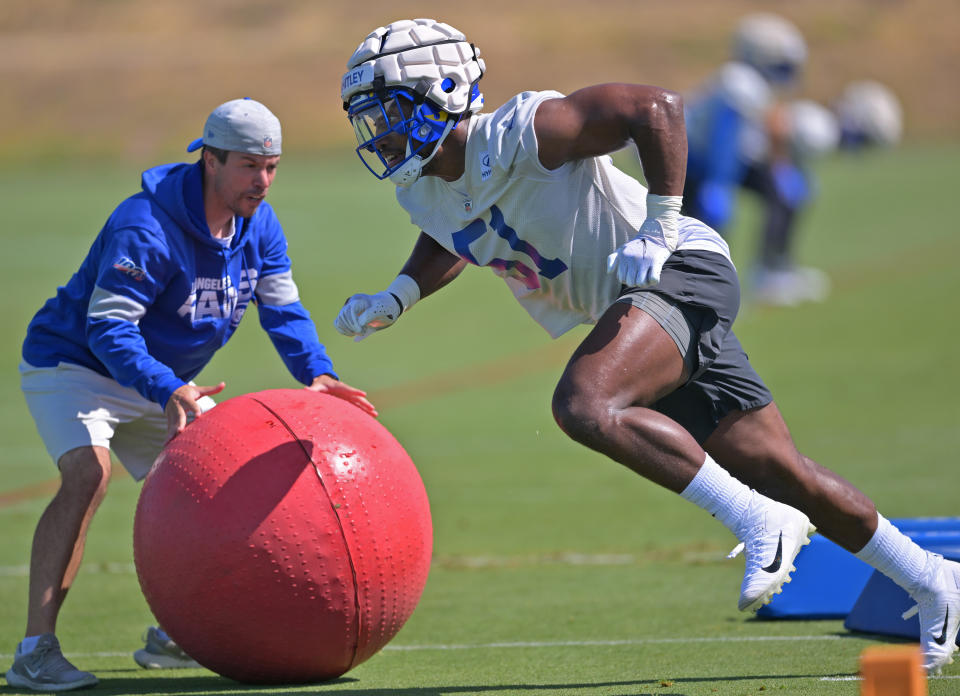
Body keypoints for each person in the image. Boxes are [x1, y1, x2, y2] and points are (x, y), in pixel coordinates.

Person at [332, 18, 959, 674]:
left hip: (679, 273)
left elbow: (654, 107)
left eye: (391, 113)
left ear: (444, 91)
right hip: (638, 313)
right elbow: (454, 231)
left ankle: (760, 520)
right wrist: (398, 294)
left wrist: (660, 226)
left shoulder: (523, 132)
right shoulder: (425, 188)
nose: (381, 133)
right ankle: (934, 578)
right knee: (787, 471)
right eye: (370, 120)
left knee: (584, 402)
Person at [6, 98, 377, 692]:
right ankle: (34, 652)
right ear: (210, 160)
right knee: (87, 474)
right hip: (73, 365)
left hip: (163, 383)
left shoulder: (261, 225)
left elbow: (283, 310)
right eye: (249, 166)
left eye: (273, 166)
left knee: (212, 486)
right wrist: (169, 387)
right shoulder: (144, 226)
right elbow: (106, 328)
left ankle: (174, 636)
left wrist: (320, 373)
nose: (263, 181)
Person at [682, 13, 831, 306]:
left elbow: (755, 135)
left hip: (727, 161)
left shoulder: (754, 87)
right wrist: (719, 183)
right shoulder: (739, 82)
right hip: (695, 162)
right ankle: (696, 288)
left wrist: (782, 167)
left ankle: (773, 269)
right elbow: (722, 141)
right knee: (702, 223)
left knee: (783, 194)